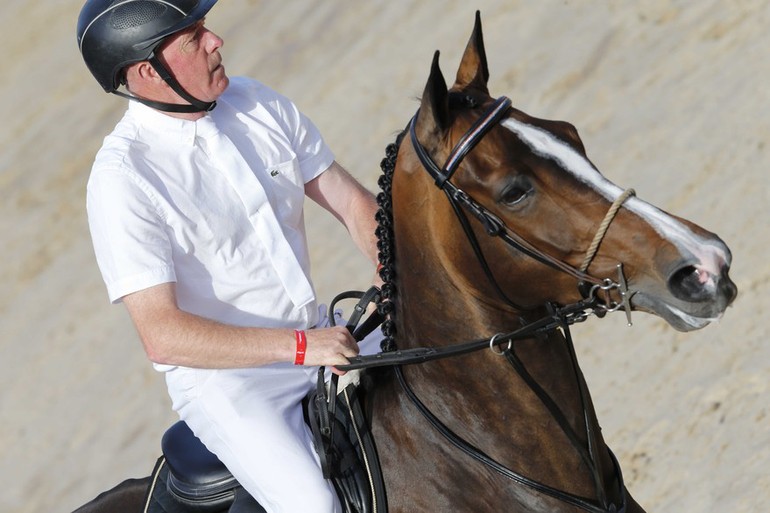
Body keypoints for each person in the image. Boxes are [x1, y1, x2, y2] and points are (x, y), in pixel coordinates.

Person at [76, 1, 382, 512]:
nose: (216, 40)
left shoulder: (256, 102)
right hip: (234, 385)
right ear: (149, 71)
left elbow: (352, 204)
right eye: (194, 37)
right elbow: (163, 335)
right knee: (314, 505)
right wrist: (302, 347)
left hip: (319, 335)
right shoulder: (122, 180)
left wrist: (390, 265)